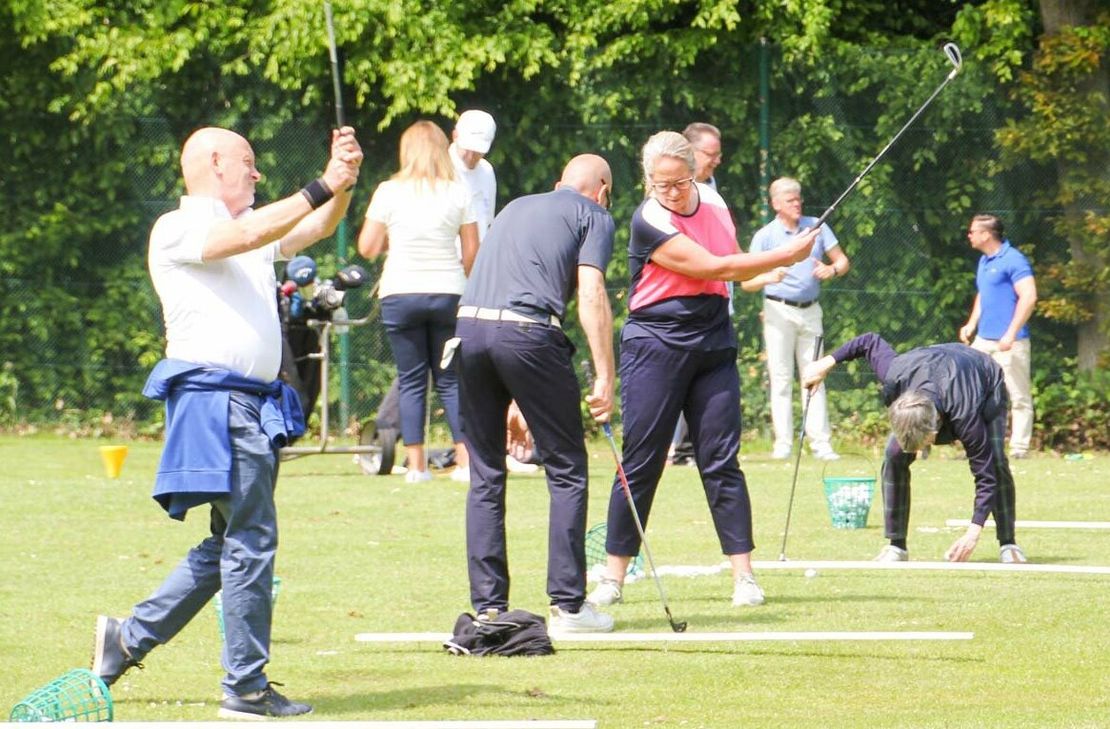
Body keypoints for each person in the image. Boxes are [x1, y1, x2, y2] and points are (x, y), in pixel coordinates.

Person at [92, 125, 363, 717]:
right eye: (250, 162)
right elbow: (243, 233)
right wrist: (322, 183)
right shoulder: (181, 226)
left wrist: (342, 182)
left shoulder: (252, 234)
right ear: (215, 163)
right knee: (250, 541)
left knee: (231, 542)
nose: (258, 173)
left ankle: (127, 638)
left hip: (249, 406)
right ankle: (244, 688)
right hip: (219, 403)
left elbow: (315, 226)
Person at [587, 131, 817, 610]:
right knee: (642, 461)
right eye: (659, 183)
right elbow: (713, 267)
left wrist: (763, 273)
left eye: (679, 182)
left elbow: (730, 269)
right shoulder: (648, 218)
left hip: (713, 339)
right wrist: (787, 254)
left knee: (720, 459)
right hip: (656, 340)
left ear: (694, 173)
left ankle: (744, 576)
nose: (670, 192)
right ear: (648, 179)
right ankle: (613, 577)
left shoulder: (713, 200)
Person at [456, 153, 618, 633]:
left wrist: (512, 395)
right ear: (603, 189)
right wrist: (605, 376)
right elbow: (590, 292)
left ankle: (489, 607)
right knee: (567, 468)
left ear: (558, 182)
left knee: (485, 474)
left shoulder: (515, 206)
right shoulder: (595, 215)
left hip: (467, 331)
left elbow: (497, 288)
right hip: (528, 334)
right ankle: (569, 607)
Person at [802, 332, 1028, 564]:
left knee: (996, 462)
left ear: (934, 432)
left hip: (984, 381)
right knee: (893, 456)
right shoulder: (895, 372)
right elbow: (868, 341)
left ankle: (1008, 543)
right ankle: (896, 547)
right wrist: (825, 364)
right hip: (928, 370)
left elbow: (985, 476)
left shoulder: (966, 417)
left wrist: (973, 532)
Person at [357, 121, 479, 483]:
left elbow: (367, 247)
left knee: (411, 380)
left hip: (401, 291)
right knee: (451, 380)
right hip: (447, 292)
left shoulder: (388, 191)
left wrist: (394, 243)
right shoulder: (458, 192)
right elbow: (472, 252)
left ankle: (417, 467)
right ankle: (465, 463)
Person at [742, 177, 849, 461]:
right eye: (790, 200)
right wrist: (768, 276)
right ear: (776, 204)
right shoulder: (765, 236)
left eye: (798, 199)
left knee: (815, 374)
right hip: (778, 310)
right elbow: (746, 283)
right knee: (780, 377)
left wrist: (832, 270)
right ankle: (783, 444)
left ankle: (821, 444)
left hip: (811, 310)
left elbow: (842, 261)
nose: (797, 204)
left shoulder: (817, 227)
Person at [666, 122, 727, 466]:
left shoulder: (712, 188)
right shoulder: (673, 193)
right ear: (690, 153)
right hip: (682, 308)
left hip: (716, 301)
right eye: (710, 154)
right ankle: (667, 449)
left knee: (708, 383)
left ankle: (693, 451)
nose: (717, 160)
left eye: (719, 154)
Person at [958, 214, 1037, 458]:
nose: (969, 235)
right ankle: (979, 446)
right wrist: (971, 323)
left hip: (1010, 343)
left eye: (972, 231)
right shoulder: (984, 261)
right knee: (972, 394)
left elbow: (1029, 296)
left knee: (1018, 396)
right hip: (984, 340)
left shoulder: (1014, 260)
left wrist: (1011, 334)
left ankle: (1019, 449)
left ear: (986, 234)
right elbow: (984, 294)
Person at [449, 109, 497, 240]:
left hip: (480, 257)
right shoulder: (440, 168)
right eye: (467, 149)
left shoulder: (487, 171)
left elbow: (488, 221)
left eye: (478, 152)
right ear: (455, 136)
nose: (471, 157)